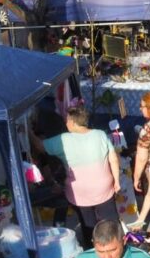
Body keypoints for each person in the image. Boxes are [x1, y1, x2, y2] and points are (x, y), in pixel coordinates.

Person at [34, 106, 119, 249]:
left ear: (73, 122)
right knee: (110, 221)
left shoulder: (63, 139)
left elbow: (40, 147)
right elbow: (113, 159)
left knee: (88, 224)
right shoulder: (100, 134)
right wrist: (116, 180)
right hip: (104, 188)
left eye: (67, 120)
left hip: (79, 193)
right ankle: (115, 246)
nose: (66, 123)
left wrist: (29, 134)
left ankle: (93, 249)